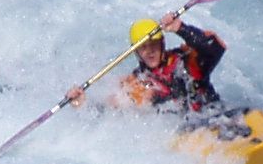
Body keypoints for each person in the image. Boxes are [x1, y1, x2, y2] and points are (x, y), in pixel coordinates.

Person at [66, 12, 232, 118]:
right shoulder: (137, 82)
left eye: (153, 45)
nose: (149, 52)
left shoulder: (185, 61)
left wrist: (181, 28)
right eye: (143, 47)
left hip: (217, 116)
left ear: (162, 44)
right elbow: (110, 111)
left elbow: (216, 47)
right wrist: (83, 104)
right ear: (136, 52)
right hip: (188, 133)